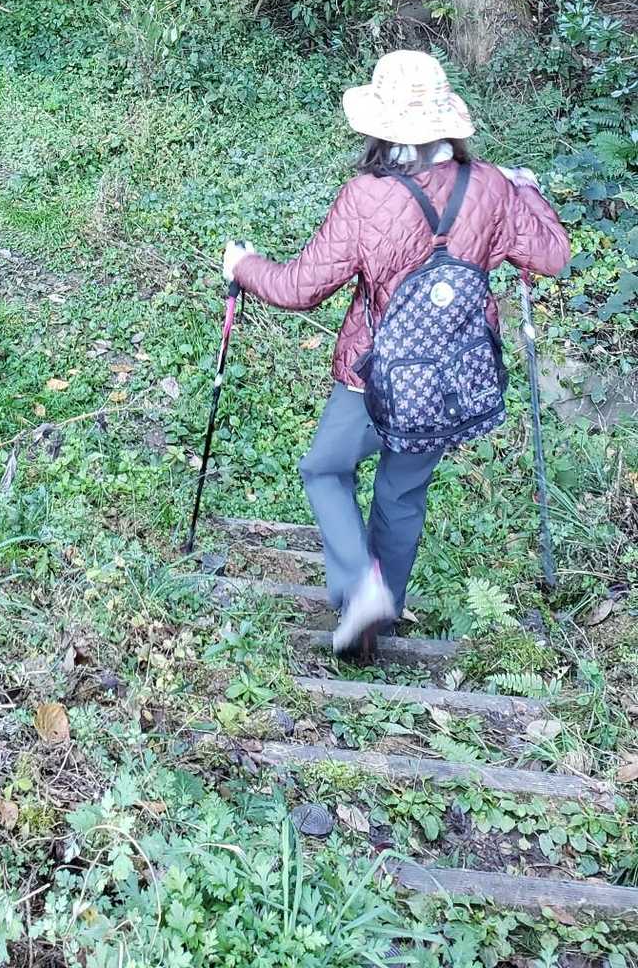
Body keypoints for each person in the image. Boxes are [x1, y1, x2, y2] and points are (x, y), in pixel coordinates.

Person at [223, 50, 569, 656]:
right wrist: (528, 191)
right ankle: (377, 616)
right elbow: (553, 257)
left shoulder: (367, 196)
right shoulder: (491, 185)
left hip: (373, 376)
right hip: (450, 377)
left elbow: (300, 289)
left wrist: (243, 265)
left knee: (324, 469)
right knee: (402, 494)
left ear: (382, 125)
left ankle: (362, 590)